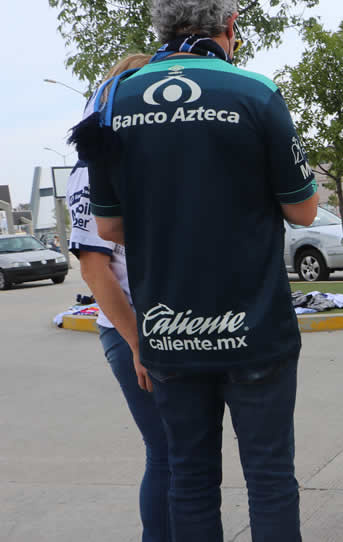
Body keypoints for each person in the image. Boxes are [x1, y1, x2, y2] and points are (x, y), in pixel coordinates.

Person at [83, 1, 319, 539]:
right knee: (270, 479)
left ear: (160, 27)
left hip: (169, 332)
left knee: (189, 481)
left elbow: (109, 229)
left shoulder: (115, 99)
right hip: (255, 327)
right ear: (230, 26)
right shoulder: (255, 92)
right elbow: (303, 210)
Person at [68, 53, 171, 542]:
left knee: (182, 453)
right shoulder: (93, 169)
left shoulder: (140, 161)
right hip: (132, 332)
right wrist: (138, 343)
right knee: (167, 451)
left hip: (169, 327)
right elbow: (95, 269)